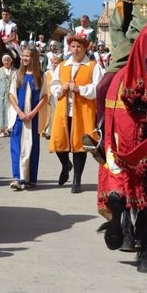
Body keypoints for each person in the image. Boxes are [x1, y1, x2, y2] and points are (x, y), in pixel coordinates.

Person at [49, 35, 103, 193]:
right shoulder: (63, 65)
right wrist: (62, 88)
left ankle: (76, 179)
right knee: (59, 142)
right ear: (69, 48)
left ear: (85, 48)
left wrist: (80, 89)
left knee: (80, 146)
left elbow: (98, 88)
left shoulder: (93, 66)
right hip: (63, 110)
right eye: (73, 46)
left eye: (79, 46)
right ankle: (66, 165)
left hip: (82, 109)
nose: (76, 49)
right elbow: (54, 84)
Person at [7, 48, 48, 190]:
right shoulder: (18, 74)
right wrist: (19, 112)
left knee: (31, 146)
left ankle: (29, 178)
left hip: (33, 118)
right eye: (23, 56)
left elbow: (44, 96)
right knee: (17, 146)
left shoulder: (40, 76)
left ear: (34, 58)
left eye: (27, 56)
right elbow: (11, 95)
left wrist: (33, 112)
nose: (24, 58)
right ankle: (17, 177)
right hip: (19, 118)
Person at [0, 54, 16, 138]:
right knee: (1, 111)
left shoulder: (15, 71)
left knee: (10, 111)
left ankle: (8, 129)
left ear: (11, 61)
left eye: (8, 60)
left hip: (11, 95)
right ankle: (2, 130)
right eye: (5, 60)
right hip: (1, 94)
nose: (6, 62)